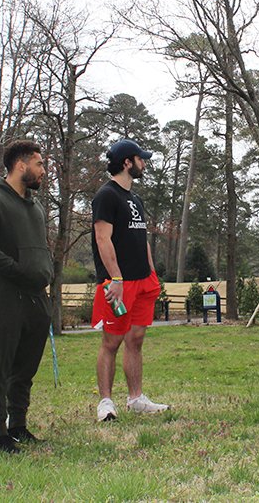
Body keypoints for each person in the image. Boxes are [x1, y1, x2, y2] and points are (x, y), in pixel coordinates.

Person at [0, 140, 52, 454]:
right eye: (39, 164)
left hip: (36, 296)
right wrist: (17, 270)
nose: (43, 171)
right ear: (21, 165)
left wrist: (42, 272)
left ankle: (18, 425)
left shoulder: (36, 207)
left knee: (25, 367)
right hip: (3, 293)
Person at [91, 139, 169, 423]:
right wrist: (115, 278)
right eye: (140, 159)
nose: (144, 164)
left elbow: (141, 238)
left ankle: (136, 398)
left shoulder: (136, 199)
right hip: (118, 283)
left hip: (143, 281)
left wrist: (152, 273)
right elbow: (103, 239)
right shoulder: (106, 196)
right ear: (127, 162)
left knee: (135, 340)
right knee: (111, 342)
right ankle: (106, 403)